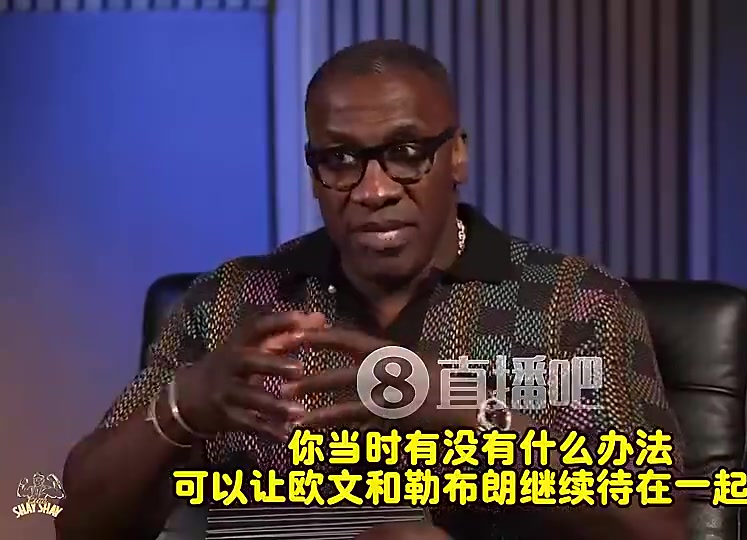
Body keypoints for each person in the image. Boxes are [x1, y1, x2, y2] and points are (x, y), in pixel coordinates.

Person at [55, 39, 687, 540]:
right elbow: (77, 523)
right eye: (340, 160)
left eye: (407, 152)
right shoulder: (231, 303)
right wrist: (186, 402)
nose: (374, 190)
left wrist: (469, 414)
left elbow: (659, 525)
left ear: (457, 156)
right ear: (314, 173)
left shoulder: (572, 303)